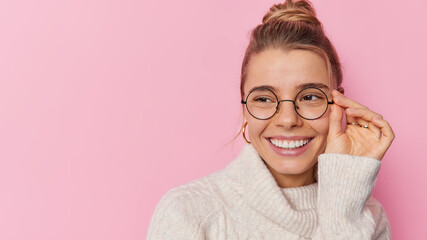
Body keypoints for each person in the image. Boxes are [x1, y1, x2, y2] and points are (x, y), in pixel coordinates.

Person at [147, 0, 394, 239]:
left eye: (309, 97)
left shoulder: (369, 217)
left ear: (339, 106)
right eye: (264, 99)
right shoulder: (188, 215)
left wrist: (342, 206)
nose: (287, 120)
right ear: (244, 108)